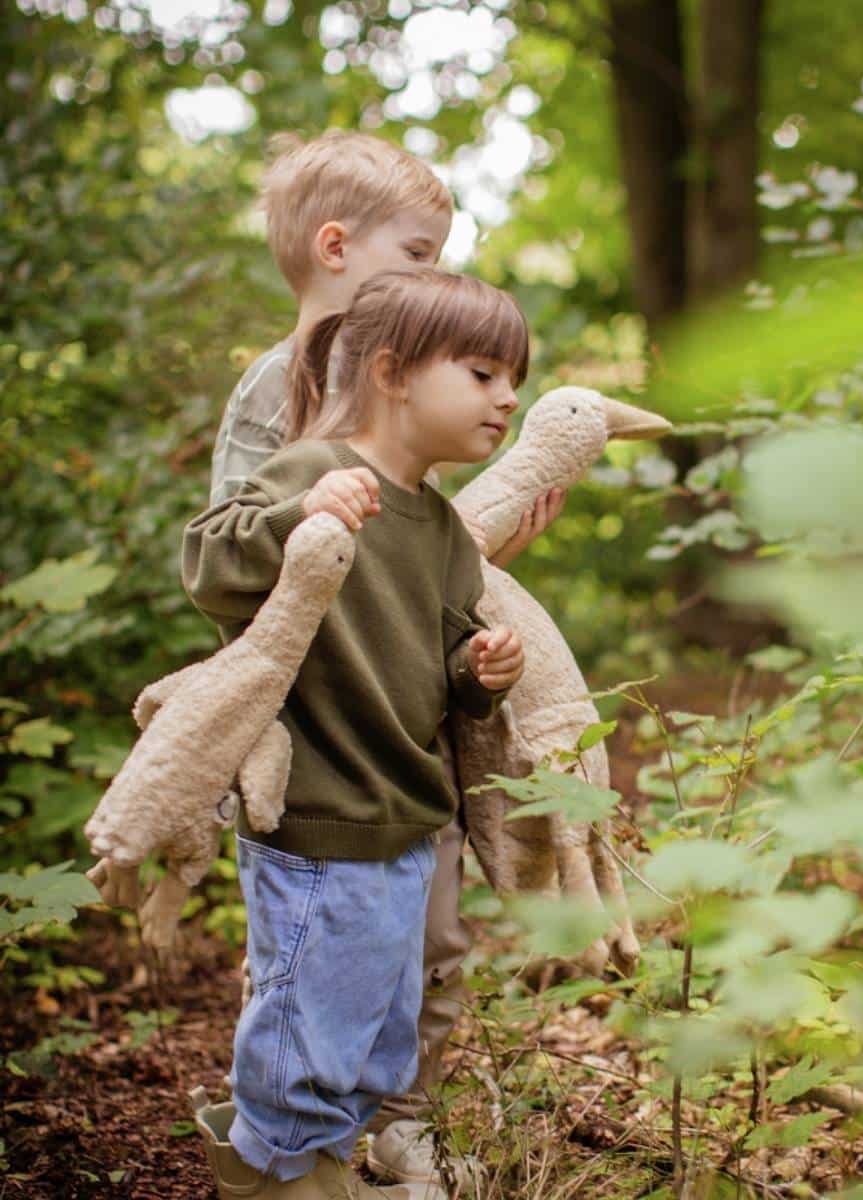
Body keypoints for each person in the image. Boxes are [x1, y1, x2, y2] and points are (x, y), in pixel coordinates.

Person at [210, 129, 563, 1194]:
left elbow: (415, 564)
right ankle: (284, 1147)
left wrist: (479, 637)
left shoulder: (426, 430)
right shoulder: (282, 391)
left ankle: (397, 1115)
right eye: (420, 256)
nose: (439, 276)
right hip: (318, 735)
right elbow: (236, 549)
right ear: (334, 248)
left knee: (425, 938)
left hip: (408, 736)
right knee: (320, 953)